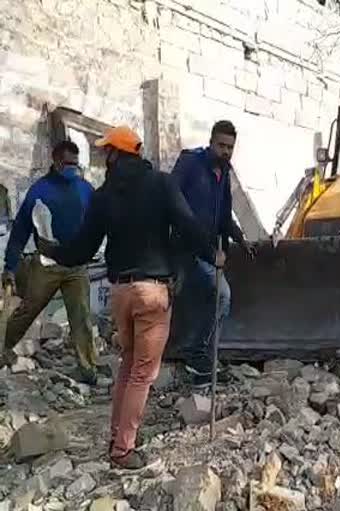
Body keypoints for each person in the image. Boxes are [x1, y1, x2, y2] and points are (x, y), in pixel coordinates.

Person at [38, 126, 223, 469]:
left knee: (128, 363)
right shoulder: (162, 184)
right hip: (152, 292)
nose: (104, 157)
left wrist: (51, 250)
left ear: (118, 154)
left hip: (120, 292)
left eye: (107, 151)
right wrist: (213, 254)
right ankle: (123, 449)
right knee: (142, 373)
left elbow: (82, 248)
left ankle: (115, 436)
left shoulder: (103, 195)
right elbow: (187, 224)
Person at [1, 141, 98, 383]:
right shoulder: (39, 191)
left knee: (82, 316)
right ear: (55, 162)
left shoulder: (86, 189)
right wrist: (10, 267)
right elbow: (20, 233)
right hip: (47, 265)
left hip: (76, 265)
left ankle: (88, 369)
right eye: (68, 164)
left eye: (76, 164)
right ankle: (2, 349)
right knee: (27, 310)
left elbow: (99, 224)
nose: (73, 168)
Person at [167, 120, 254, 387]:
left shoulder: (224, 174)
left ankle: (198, 357)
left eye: (230, 147)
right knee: (206, 297)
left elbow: (224, 215)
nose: (226, 151)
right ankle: (189, 355)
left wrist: (240, 238)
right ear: (211, 142)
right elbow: (174, 203)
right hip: (185, 249)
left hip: (207, 251)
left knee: (214, 298)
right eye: (221, 145)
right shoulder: (190, 164)